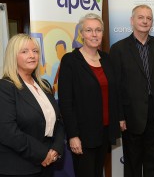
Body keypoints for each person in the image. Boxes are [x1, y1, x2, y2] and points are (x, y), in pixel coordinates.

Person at [109, 4, 154, 177]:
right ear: (132, 21)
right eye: (141, 17)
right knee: (132, 166)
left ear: (152, 22)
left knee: (151, 165)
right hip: (131, 116)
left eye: (149, 18)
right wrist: (119, 116)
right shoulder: (118, 49)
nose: (145, 21)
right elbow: (115, 87)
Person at [58, 13, 120, 177]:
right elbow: (65, 102)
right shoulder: (70, 61)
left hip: (104, 132)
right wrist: (73, 135)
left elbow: (114, 94)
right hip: (83, 135)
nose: (94, 34)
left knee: (98, 173)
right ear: (81, 34)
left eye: (98, 30)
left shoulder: (107, 59)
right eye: (89, 30)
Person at [0, 34, 65, 177]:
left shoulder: (45, 86)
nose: (32, 55)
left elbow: (59, 121)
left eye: (35, 51)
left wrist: (56, 149)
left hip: (47, 165)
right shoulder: (5, 87)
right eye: (24, 51)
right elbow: (8, 132)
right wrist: (42, 154)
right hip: (18, 168)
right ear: (13, 56)